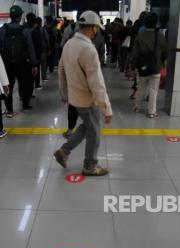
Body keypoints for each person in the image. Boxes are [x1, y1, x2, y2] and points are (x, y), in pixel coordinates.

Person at [54, 11, 113, 177]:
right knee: (94, 132)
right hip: (88, 100)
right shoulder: (88, 49)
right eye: (97, 29)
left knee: (87, 127)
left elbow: (61, 70)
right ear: (93, 28)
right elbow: (97, 83)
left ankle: (64, 151)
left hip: (75, 98)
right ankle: (90, 166)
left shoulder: (69, 44)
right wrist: (106, 108)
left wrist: (64, 93)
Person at [0, 5, 38, 115]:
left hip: (7, 64)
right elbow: (30, 48)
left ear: (10, 16)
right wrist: (34, 64)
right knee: (24, 84)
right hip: (22, 63)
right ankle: (25, 105)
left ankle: (9, 110)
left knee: (8, 85)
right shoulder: (26, 31)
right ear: (20, 17)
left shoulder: (2, 30)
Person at [130, 12, 168, 119]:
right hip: (156, 67)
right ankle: (151, 112)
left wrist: (133, 66)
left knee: (141, 88)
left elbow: (134, 53)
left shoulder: (139, 36)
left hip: (142, 67)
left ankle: (137, 107)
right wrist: (162, 60)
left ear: (145, 24)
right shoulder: (160, 36)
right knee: (153, 90)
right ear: (156, 24)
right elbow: (166, 51)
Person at [25, 13, 44, 90]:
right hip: (35, 55)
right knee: (35, 71)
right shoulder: (36, 30)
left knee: (26, 75)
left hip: (25, 57)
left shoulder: (23, 29)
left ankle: (24, 93)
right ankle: (35, 85)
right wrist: (41, 53)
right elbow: (39, 44)